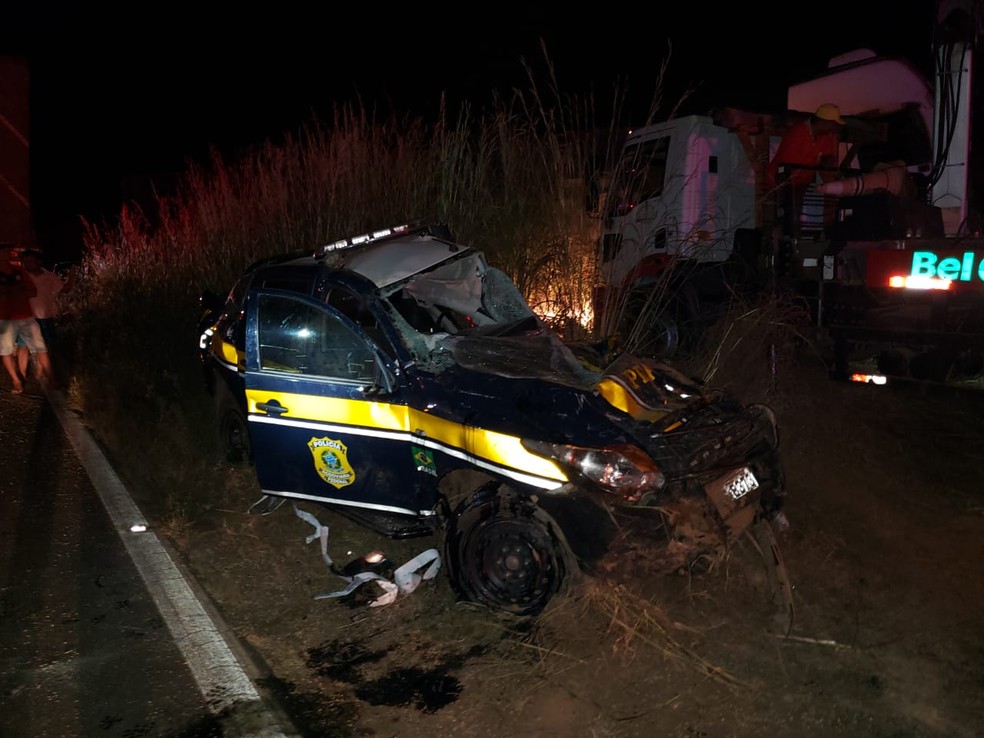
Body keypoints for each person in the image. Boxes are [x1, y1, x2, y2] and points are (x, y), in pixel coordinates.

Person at [765, 103, 846, 235]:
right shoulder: (797, 134)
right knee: (785, 216)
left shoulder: (826, 136)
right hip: (779, 182)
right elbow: (788, 167)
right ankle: (785, 238)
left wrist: (833, 180)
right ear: (824, 121)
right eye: (833, 123)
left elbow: (827, 159)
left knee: (796, 213)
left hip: (800, 182)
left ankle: (798, 236)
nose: (835, 127)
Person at [15, 249, 75, 383]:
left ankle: (40, 371)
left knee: (44, 347)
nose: (27, 264)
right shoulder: (21, 277)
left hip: (45, 317)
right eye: (25, 261)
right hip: (26, 317)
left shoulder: (49, 277)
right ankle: (22, 376)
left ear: (38, 262)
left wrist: (72, 274)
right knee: (23, 346)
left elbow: (64, 289)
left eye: (30, 261)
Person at [0, 245, 45, 393]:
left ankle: (24, 375)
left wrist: (15, 294)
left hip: (24, 315)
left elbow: (33, 291)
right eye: (5, 253)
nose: (8, 255)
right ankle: (16, 380)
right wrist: (13, 293)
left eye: (8, 252)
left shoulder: (19, 271)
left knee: (27, 346)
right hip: (4, 318)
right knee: (5, 351)